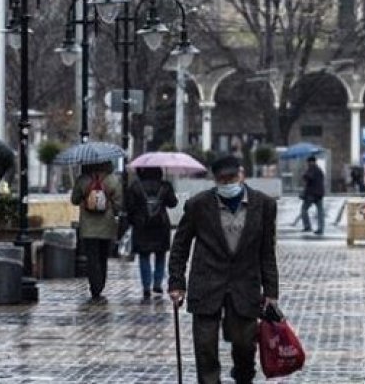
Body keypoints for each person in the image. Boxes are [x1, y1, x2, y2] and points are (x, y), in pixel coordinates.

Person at [169, 155, 279, 384]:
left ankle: (243, 377)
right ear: (215, 180)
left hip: (245, 285)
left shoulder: (264, 205)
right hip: (207, 284)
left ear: (241, 174)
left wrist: (271, 292)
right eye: (222, 179)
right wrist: (177, 283)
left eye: (232, 177)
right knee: (205, 346)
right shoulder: (198, 205)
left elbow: (267, 251)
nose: (228, 183)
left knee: (245, 345)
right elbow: (180, 246)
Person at [70, 160, 123, 304]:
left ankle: (95, 289)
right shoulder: (112, 180)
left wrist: (84, 198)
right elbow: (119, 204)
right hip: (107, 226)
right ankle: (100, 286)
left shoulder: (83, 179)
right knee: (103, 257)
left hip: (88, 227)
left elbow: (74, 200)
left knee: (92, 259)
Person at [125, 166, 178, 302]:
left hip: (142, 226)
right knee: (160, 255)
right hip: (161, 225)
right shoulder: (165, 186)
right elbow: (173, 203)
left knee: (144, 256)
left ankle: (146, 286)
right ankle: (157, 284)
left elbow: (129, 207)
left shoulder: (135, 187)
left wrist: (133, 221)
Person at [299, 155, 325, 235]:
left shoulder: (312, 169)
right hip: (319, 193)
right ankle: (320, 229)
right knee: (320, 211)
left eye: (308, 162)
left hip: (311, 194)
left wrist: (304, 175)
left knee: (304, 209)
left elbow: (309, 178)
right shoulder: (319, 170)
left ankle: (307, 226)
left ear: (310, 162)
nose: (308, 163)